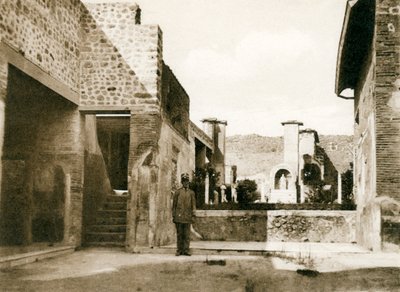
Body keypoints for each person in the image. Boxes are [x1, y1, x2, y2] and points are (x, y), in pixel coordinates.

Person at [172, 173, 196, 256]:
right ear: (182, 182)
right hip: (179, 217)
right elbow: (174, 205)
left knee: (187, 235)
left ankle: (186, 250)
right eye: (184, 181)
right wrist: (174, 216)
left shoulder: (191, 193)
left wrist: (193, 215)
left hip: (187, 217)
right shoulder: (177, 192)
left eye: (187, 181)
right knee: (180, 234)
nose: (186, 183)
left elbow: (193, 205)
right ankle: (179, 250)